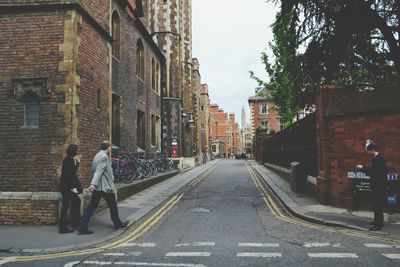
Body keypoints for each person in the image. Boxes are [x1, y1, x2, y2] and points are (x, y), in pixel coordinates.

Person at [79, 140, 128, 234]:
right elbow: (98, 171)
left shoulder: (97, 155)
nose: (111, 149)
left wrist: (94, 185)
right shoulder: (104, 157)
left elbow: (95, 170)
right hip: (105, 187)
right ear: (108, 147)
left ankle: (83, 225)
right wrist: (93, 185)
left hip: (99, 187)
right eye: (110, 147)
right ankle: (118, 224)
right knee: (113, 205)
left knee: (92, 206)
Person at [356, 139, 388, 231]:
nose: (368, 153)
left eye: (368, 151)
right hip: (377, 185)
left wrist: (362, 168)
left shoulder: (379, 159)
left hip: (379, 186)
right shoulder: (377, 158)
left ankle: (378, 225)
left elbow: (374, 173)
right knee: (375, 204)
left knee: (377, 205)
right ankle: (377, 221)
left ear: (372, 149)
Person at [59, 144, 82, 233]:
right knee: (66, 206)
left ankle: (74, 223)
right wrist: (73, 188)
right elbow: (70, 176)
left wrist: (77, 164)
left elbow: (71, 172)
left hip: (66, 186)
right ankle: (64, 227)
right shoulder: (69, 160)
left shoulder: (68, 159)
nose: (77, 151)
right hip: (67, 187)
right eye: (76, 150)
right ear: (74, 151)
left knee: (74, 202)